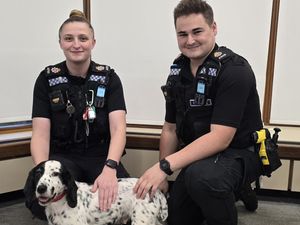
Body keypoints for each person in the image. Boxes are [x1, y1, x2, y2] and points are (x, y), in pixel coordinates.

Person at [134, 0, 263, 224]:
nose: (190, 40)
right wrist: (163, 175)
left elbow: (220, 139)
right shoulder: (178, 71)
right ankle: (232, 191)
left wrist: (164, 167)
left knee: (202, 180)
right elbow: (170, 128)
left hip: (240, 152)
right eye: (182, 34)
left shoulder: (235, 70)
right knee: (177, 218)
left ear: (213, 28)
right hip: (202, 157)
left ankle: (236, 186)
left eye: (197, 31)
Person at [27, 9, 129, 220]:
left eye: (83, 38)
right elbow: (40, 134)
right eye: (68, 39)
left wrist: (110, 168)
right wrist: (43, 172)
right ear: (60, 43)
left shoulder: (109, 78)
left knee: (120, 198)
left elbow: (118, 129)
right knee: (37, 202)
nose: (76, 44)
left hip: (101, 155)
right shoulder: (47, 79)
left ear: (93, 42)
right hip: (63, 157)